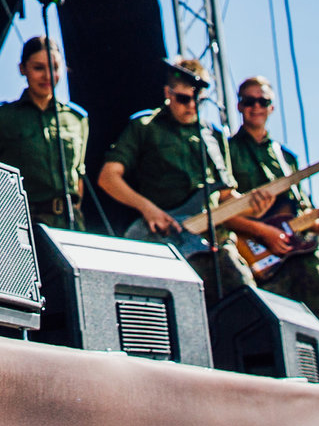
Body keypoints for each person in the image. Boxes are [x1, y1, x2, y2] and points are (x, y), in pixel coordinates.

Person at [225, 76, 319, 387]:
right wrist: (263, 232)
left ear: (271, 107)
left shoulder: (286, 156)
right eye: (249, 101)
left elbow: (303, 213)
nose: (255, 108)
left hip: (303, 255)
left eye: (262, 102)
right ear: (239, 106)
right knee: (280, 340)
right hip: (265, 263)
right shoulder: (227, 151)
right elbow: (221, 213)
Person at [96, 57, 270, 299]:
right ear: (168, 93)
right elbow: (108, 177)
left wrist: (254, 207)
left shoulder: (215, 138)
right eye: (184, 99)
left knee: (247, 302)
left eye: (199, 100)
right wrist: (148, 209)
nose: (191, 106)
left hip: (215, 241)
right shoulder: (146, 126)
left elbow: (226, 196)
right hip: (167, 239)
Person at [0, 34, 90, 228]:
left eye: (55, 68)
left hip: (71, 223)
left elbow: (78, 175)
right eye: (38, 68)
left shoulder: (76, 119)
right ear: (22, 69)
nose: (48, 76)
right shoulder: (1, 117)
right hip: (23, 225)